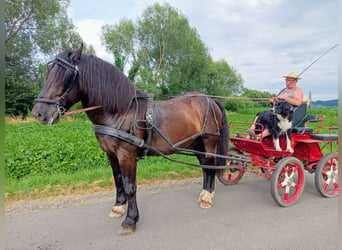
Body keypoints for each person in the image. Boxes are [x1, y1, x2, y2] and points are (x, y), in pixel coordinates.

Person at [247, 72, 304, 140]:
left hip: (286, 114)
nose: (287, 82)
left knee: (272, 120)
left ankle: (258, 137)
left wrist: (284, 98)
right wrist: (272, 102)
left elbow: (298, 103)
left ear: (295, 81)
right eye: (286, 80)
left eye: (289, 80)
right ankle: (251, 131)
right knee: (260, 114)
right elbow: (276, 104)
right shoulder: (282, 90)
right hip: (277, 111)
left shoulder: (297, 90)